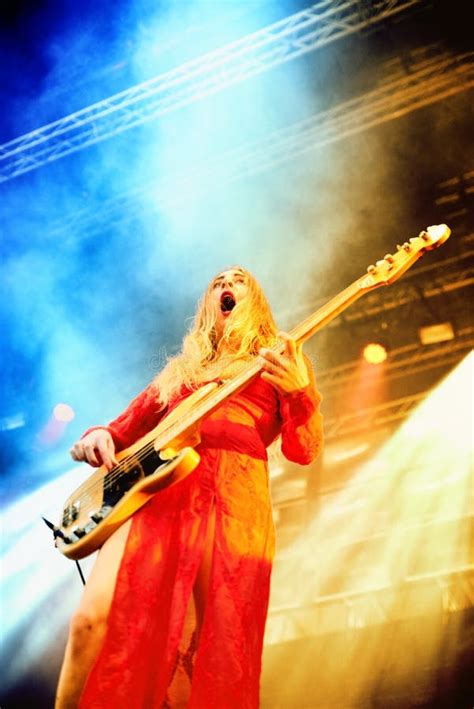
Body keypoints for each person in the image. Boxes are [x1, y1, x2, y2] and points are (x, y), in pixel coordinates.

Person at [55, 266, 323, 709]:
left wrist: (299, 393)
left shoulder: (281, 358)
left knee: (198, 655)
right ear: (207, 305)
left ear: (254, 300)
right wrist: (97, 436)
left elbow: (304, 449)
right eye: (218, 281)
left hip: (232, 501)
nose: (225, 285)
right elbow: (120, 428)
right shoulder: (180, 373)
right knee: (89, 620)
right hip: (160, 497)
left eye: (237, 280)